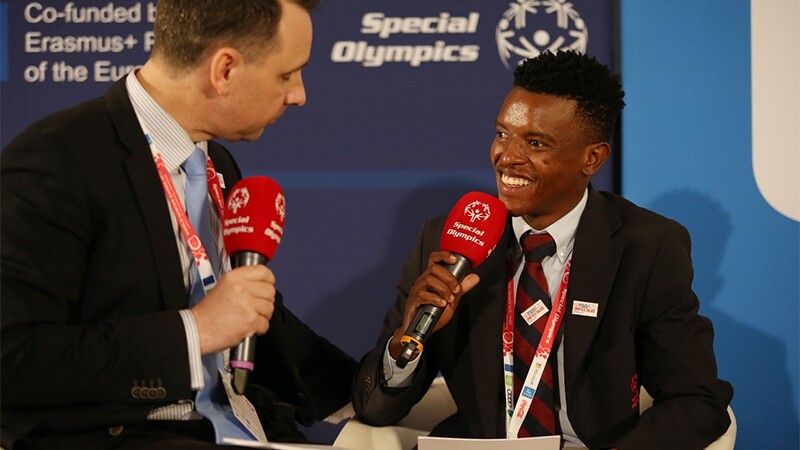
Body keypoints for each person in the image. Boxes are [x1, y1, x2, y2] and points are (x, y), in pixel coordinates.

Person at [0, 0, 357, 448]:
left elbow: (249, 319)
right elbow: (14, 358)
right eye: (287, 74)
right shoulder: (56, 162)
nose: (299, 94)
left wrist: (376, 387)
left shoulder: (216, 163)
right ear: (224, 69)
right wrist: (195, 331)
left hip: (247, 429)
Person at [353, 50, 733, 449]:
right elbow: (374, 409)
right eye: (502, 134)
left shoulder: (646, 247)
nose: (507, 157)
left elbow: (697, 400)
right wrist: (407, 342)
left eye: (535, 142)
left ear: (592, 158)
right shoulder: (449, 240)